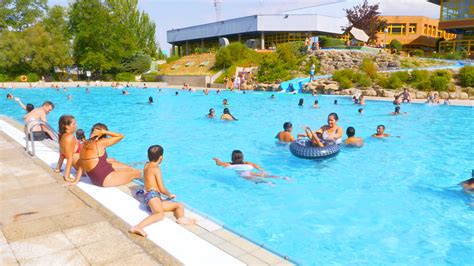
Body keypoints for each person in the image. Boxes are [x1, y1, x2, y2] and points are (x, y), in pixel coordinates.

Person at [129, 145, 196, 237]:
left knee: (179, 205)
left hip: (151, 198)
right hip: (153, 196)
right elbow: (161, 188)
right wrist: (169, 194)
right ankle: (137, 227)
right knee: (160, 215)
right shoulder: (156, 169)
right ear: (161, 157)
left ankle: (181, 218)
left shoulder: (147, 164)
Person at [66, 123, 141, 187]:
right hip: (105, 179)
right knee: (136, 172)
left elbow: (82, 164)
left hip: (94, 179)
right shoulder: (101, 142)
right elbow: (120, 136)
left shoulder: (84, 143)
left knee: (127, 168)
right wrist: (105, 131)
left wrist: (76, 181)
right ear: (103, 134)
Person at [212, 150, 286, 185]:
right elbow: (254, 165)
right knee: (266, 175)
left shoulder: (230, 164)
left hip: (244, 175)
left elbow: (219, 164)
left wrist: (217, 160)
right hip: (249, 172)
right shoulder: (246, 163)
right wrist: (261, 170)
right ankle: (282, 177)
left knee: (257, 180)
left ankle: (268, 182)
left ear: (232, 157)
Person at [54, 115, 81, 181]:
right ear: (67, 126)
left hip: (78, 163)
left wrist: (58, 168)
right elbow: (69, 157)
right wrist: (67, 176)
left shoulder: (61, 135)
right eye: (74, 124)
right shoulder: (70, 137)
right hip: (80, 166)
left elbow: (62, 154)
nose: (76, 125)